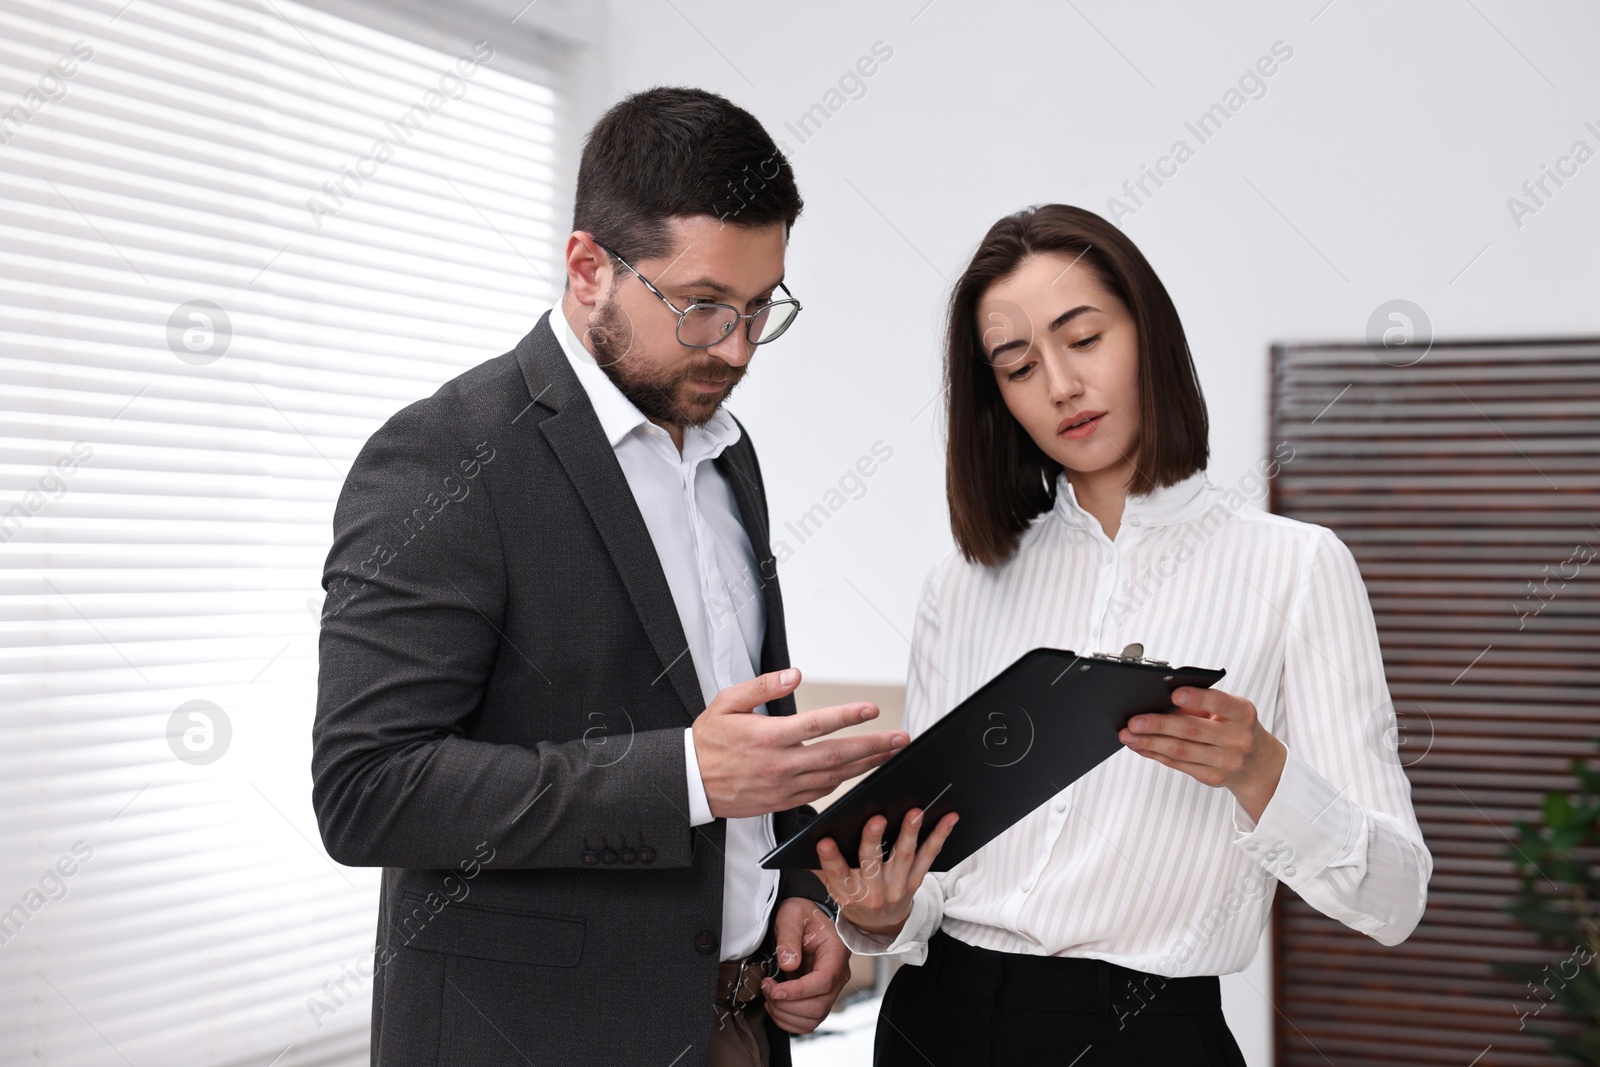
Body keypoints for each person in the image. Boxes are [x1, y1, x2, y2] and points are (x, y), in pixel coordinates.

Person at [312, 87, 909, 1067]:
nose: (739, 347)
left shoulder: (727, 453)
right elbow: (368, 787)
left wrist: (795, 886)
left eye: (763, 308)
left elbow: (738, 733)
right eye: (704, 306)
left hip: (739, 1025)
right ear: (588, 267)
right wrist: (679, 774)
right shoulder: (443, 457)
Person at [810, 204, 1432, 1066]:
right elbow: (936, 884)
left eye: (1083, 339)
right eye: (1019, 365)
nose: (1060, 385)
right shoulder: (961, 584)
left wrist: (1260, 770)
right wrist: (879, 912)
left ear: (1149, 335)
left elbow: (1395, 897)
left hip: (1144, 1033)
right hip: (931, 1024)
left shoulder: (1298, 569)